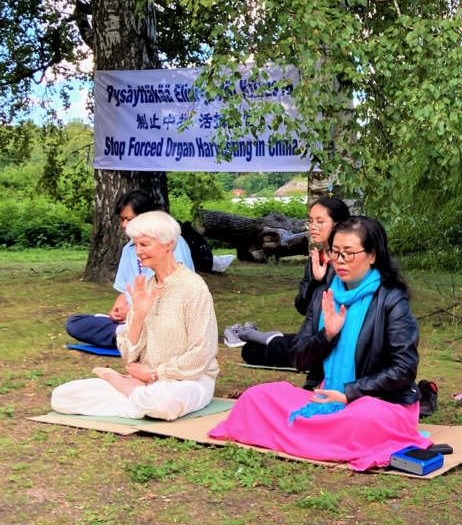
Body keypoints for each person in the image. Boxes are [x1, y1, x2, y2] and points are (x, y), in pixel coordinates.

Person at [208, 217, 431, 470]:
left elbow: (404, 369)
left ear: (372, 256)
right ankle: (318, 435)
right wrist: (327, 334)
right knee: (256, 397)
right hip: (325, 395)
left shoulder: (392, 300)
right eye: (335, 252)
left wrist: (349, 394)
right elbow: (298, 359)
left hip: (379, 401)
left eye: (349, 253)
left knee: (361, 418)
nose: (340, 260)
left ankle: (308, 434)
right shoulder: (322, 295)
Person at [51, 211, 219, 420]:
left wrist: (155, 375)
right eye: (135, 245)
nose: (139, 251)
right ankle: (136, 397)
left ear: (169, 244)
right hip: (144, 381)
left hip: (188, 381)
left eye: (145, 244)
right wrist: (138, 315)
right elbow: (129, 355)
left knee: (161, 403)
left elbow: (202, 352)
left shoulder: (193, 287)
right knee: (62, 396)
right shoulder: (145, 288)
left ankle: (127, 390)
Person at [226, 197, 351, 373]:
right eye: (310, 221)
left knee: (285, 348)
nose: (313, 226)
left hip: (342, 335)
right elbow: (302, 306)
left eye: (320, 221)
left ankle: (274, 340)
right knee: (251, 350)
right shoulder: (315, 260)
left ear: (339, 224)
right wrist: (316, 280)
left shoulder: (349, 260)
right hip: (314, 334)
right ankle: (275, 340)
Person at [65, 191, 194, 349]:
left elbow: (174, 295)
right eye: (122, 220)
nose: (124, 225)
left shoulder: (170, 243)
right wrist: (117, 311)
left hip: (162, 317)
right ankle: (130, 336)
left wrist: (137, 313)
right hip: (134, 319)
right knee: (75, 323)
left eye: (129, 219)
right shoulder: (128, 249)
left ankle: (134, 338)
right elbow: (124, 290)